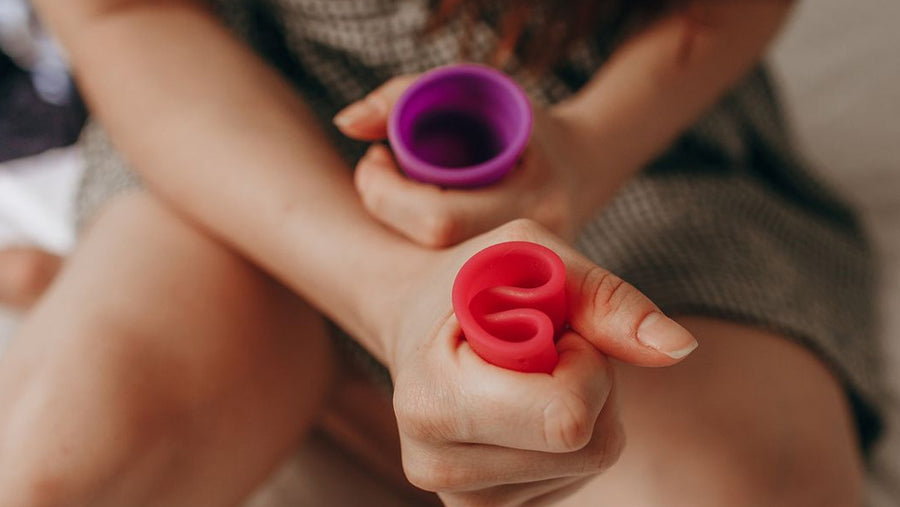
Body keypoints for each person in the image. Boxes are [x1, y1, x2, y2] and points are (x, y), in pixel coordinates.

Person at [0, 0, 880, 505]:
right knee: (41, 477)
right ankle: (347, 380)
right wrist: (390, 296)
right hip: (248, 137)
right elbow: (119, 12)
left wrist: (584, 149)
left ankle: (334, 394)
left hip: (631, 133)